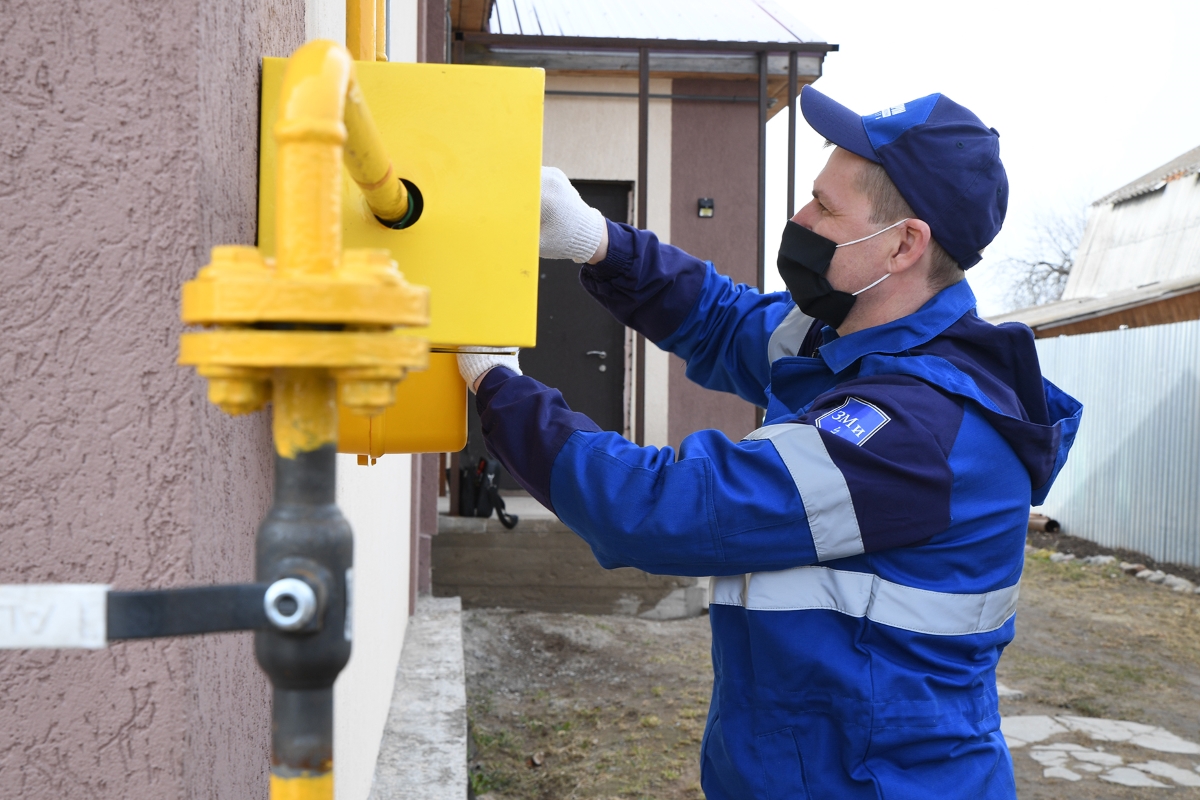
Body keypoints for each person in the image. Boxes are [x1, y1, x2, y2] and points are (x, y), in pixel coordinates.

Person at [456, 86, 1082, 799]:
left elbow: (662, 510)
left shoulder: (913, 433)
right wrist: (595, 240)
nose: (800, 218)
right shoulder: (849, 339)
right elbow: (726, 321)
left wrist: (496, 383)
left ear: (904, 244)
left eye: (824, 206)